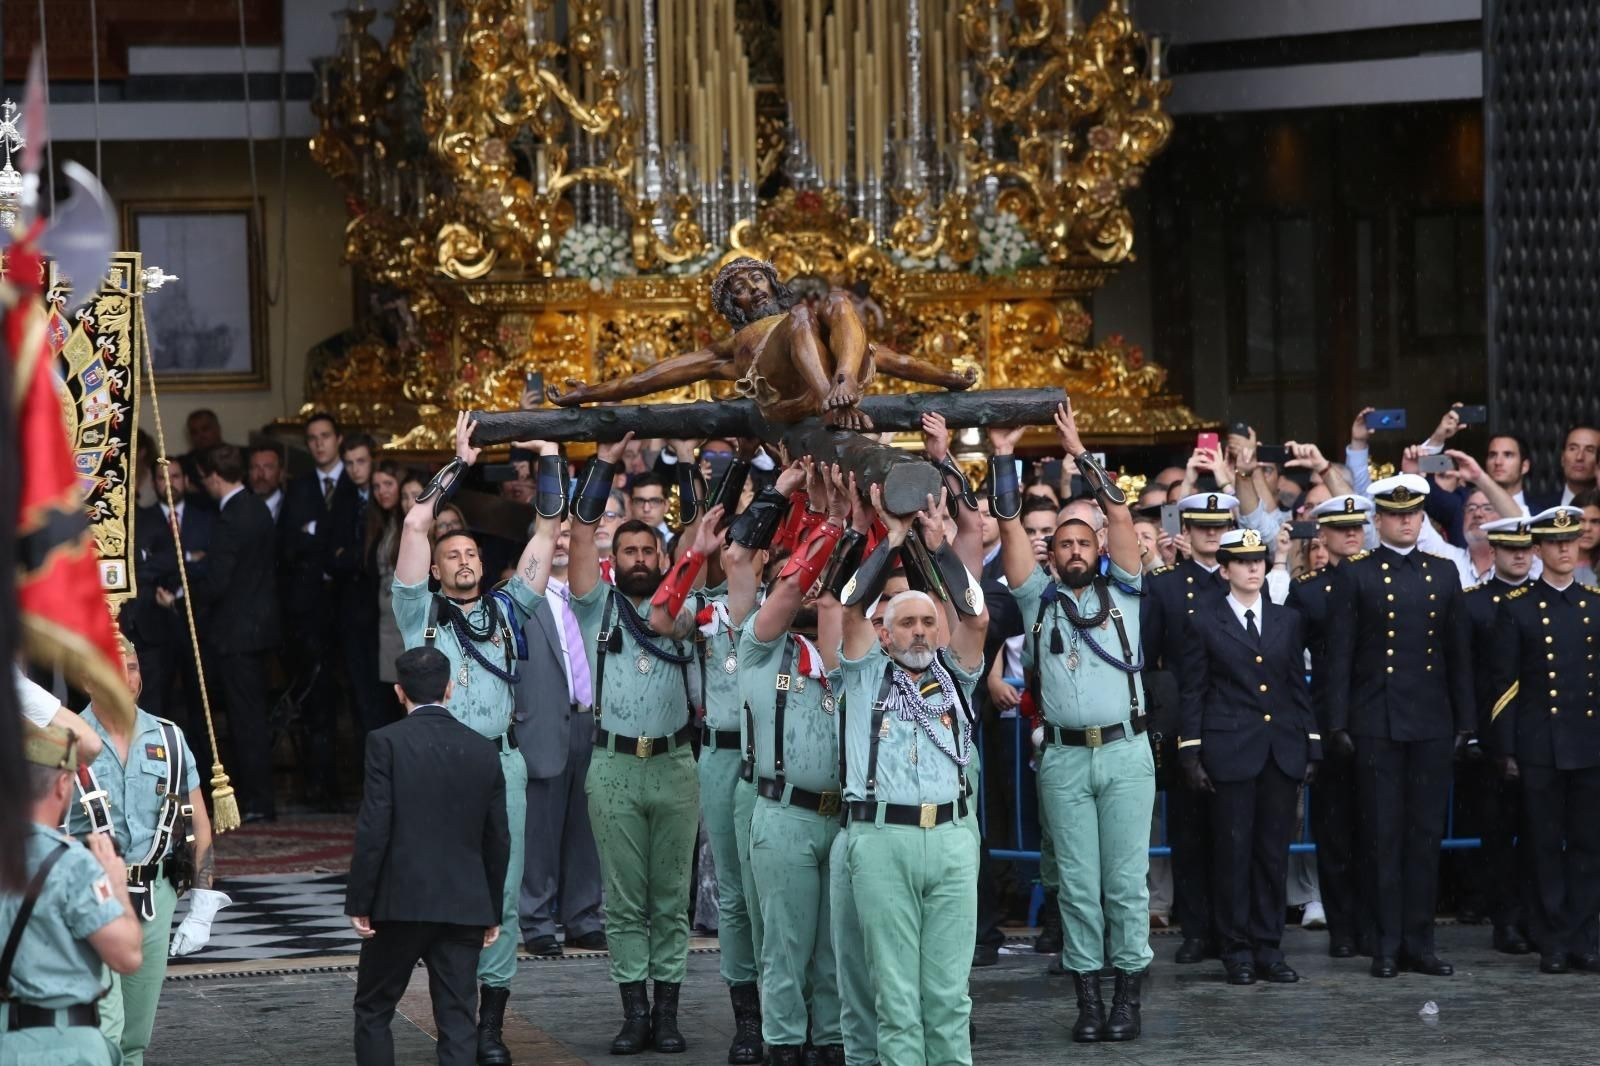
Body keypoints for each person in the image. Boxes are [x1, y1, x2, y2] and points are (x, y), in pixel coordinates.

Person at [391, 414, 557, 1066]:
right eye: (451, 555)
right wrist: (456, 465)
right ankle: (455, 1022)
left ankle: (490, 1031)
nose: (463, 559)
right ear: (434, 572)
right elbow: (412, 524)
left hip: (499, 765)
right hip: (437, 769)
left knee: (503, 895)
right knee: (444, 899)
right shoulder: (418, 614)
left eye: (471, 554)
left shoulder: (508, 610)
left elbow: (546, 532)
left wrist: (550, 458)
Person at [991, 402, 1152, 1042]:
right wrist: (1003, 458)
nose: (1078, 549)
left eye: (1085, 541)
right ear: (1051, 554)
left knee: (1126, 884)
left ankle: (1128, 997)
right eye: (1065, 542)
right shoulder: (1037, 599)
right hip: (1060, 756)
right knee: (1078, 886)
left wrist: (1079, 451)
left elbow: (1117, 513)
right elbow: (1008, 539)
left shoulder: (1128, 591)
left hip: (1125, 754)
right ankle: (1088, 998)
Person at [837, 482, 988, 1066]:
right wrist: (891, 542)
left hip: (952, 838)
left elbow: (974, 619)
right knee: (896, 996)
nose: (922, 631)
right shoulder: (861, 672)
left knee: (949, 996)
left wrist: (939, 548)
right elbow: (849, 606)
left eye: (928, 621)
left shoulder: (956, 676)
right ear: (886, 633)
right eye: (908, 624)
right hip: (882, 837)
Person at [565, 432, 700, 1056]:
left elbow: (707, 541)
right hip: (613, 764)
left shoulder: (684, 606)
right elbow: (581, 535)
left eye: (649, 549)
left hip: (674, 764)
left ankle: (669, 1012)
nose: (640, 557)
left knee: (671, 898)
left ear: (662, 557)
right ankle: (633, 1012)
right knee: (621, 901)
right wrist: (604, 467)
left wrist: (696, 468)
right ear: (613, 560)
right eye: (630, 550)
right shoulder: (597, 608)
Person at [1325, 474, 1474, 979]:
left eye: (1413, 513)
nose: (1406, 520)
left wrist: (1466, 721)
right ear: (1379, 519)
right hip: (1377, 719)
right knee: (1382, 836)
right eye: (1396, 513)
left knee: (1425, 836)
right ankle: (1386, 943)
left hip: (1431, 717)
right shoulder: (1357, 573)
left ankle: (1420, 942)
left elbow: (1458, 656)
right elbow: (1339, 655)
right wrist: (1338, 721)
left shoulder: (1443, 572)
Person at [651, 483, 775, 1064]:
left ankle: (795, 1015)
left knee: (776, 891)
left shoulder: (787, 603)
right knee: (733, 896)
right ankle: (747, 1021)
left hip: (779, 757)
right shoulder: (705, 608)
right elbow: (659, 616)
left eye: (746, 543)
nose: (737, 551)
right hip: (722, 755)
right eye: (731, 542)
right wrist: (692, 555)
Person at [347, 647, 511, 1066]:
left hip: (399, 902)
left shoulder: (385, 742)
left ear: (399, 692)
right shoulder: (482, 749)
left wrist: (361, 901)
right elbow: (498, 838)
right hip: (464, 903)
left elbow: (374, 826)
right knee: (458, 1020)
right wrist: (492, 908)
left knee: (374, 1010)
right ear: (450, 689)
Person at [737, 467, 851, 1066]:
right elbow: (786, 594)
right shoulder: (756, 645)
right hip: (782, 813)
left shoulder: (856, 650)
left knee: (836, 947)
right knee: (784, 946)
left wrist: (849, 533)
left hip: (846, 817)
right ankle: (782, 1045)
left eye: (819, 581)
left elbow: (835, 620)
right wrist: (829, 527)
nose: (807, 589)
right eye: (798, 575)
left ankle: (829, 1045)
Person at [66, 636, 222, 1066]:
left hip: (154, 897)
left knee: (136, 1034)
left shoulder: (169, 739)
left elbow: (199, 823)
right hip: (89, 897)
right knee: (103, 1025)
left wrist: (202, 900)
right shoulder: (65, 739)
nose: (126, 677)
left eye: (132, 666)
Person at [1178, 528, 1320, 986]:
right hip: (1230, 749)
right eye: (1242, 561)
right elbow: (1194, 690)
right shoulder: (1204, 619)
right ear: (1225, 569)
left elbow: (1297, 685)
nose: (1254, 566)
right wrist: (1191, 751)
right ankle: (1235, 950)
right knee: (1233, 855)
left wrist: (1311, 743)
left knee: (1271, 855)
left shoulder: (1286, 620)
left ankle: (1269, 948)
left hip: (1279, 748)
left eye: (1259, 559)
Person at [1488, 506, 1600, 974]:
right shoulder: (1517, 607)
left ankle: (1586, 938)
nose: (1564, 549)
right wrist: (1507, 749)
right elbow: (1504, 687)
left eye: (1571, 541)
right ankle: (1552, 940)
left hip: (1589, 741)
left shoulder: (1594, 604)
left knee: (1588, 846)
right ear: (1537, 550)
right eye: (1555, 543)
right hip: (1541, 744)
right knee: (1543, 846)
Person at [0, 722, 142, 1065]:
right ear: (63, 785)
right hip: (67, 1048)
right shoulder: (72, 863)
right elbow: (127, 955)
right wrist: (117, 887)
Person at [1140, 490, 1239, 964]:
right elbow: (1151, 660)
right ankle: (1197, 929)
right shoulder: (1165, 585)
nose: (1213, 533)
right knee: (1190, 831)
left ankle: (1233, 928)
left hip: (1237, 719)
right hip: (1187, 722)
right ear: (1187, 531)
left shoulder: (1240, 576)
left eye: (1220, 525)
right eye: (1203, 526)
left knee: (1236, 830)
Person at [512, 520, 607, 960]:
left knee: (586, 828)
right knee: (541, 829)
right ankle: (535, 921)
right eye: (557, 532)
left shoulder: (596, 596)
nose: (565, 541)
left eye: (572, 534)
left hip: (592, 722)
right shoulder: (518, 599)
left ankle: (583, 917)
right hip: (543, 723)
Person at [1286, 494, 1374, 959]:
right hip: (1326, 716)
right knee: (1335, 827)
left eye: (1357, 525)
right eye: (1341, 528)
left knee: (1378, 828)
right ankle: (1343, 927)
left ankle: (1375, 922)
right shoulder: (1309, 590)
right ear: (1322, 535)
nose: (1351, 533)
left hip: (1378, 715)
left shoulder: (1383, 580)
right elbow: (1286, 658)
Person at [1458, 516, 1537, 955]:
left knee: (1539, 833)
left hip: (1539, 733)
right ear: (1495, 551)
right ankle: (1505, 920)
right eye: (1510, 549)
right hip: (1490, 737)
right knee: (1496, 834)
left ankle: (1532, 917)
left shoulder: (1542, 600)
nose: (1520, 555)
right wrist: (1468, 733)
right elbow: (1464, 674)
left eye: (1526, 548)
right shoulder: (1474, 604)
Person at [189, 444, 280, 823]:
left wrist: (183, 593)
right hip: (257, 629)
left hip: (237, 634)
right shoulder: (257, 507)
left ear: (212, 476)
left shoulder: (231, 517)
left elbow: (218, 582)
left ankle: (258, 800)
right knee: (252, 716)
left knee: (246, 720)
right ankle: (260, 797)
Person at [279, 412, 350, 808]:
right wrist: (323, 546)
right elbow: (289, 545)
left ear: (338, 438)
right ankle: (322, 786)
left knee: (356, 698)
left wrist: (315, 541)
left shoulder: (355, 482)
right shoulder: (301, 487)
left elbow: (346, 546)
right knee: (315, 702)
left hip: (350, 609)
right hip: (310, 613)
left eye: (325, 436)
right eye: (312, 438)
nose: (319, 444)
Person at [371, 461, 409, 721]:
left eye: (388, 484)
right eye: (376, 486)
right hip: (388, 620)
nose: (381, 491)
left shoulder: (408, 526)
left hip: (402, 621)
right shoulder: (388, 524)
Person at [1557, 426, 1599, 506]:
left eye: (1589, 450)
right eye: (1573, 449)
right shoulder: (1536, 508)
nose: (1579, 457)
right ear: (1562, 458)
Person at [248, 442, 286, 523]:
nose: (261, 474)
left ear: (281, 474)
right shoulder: (240, 508)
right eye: (255, 467)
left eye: (268, 467)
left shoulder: (292, 508)